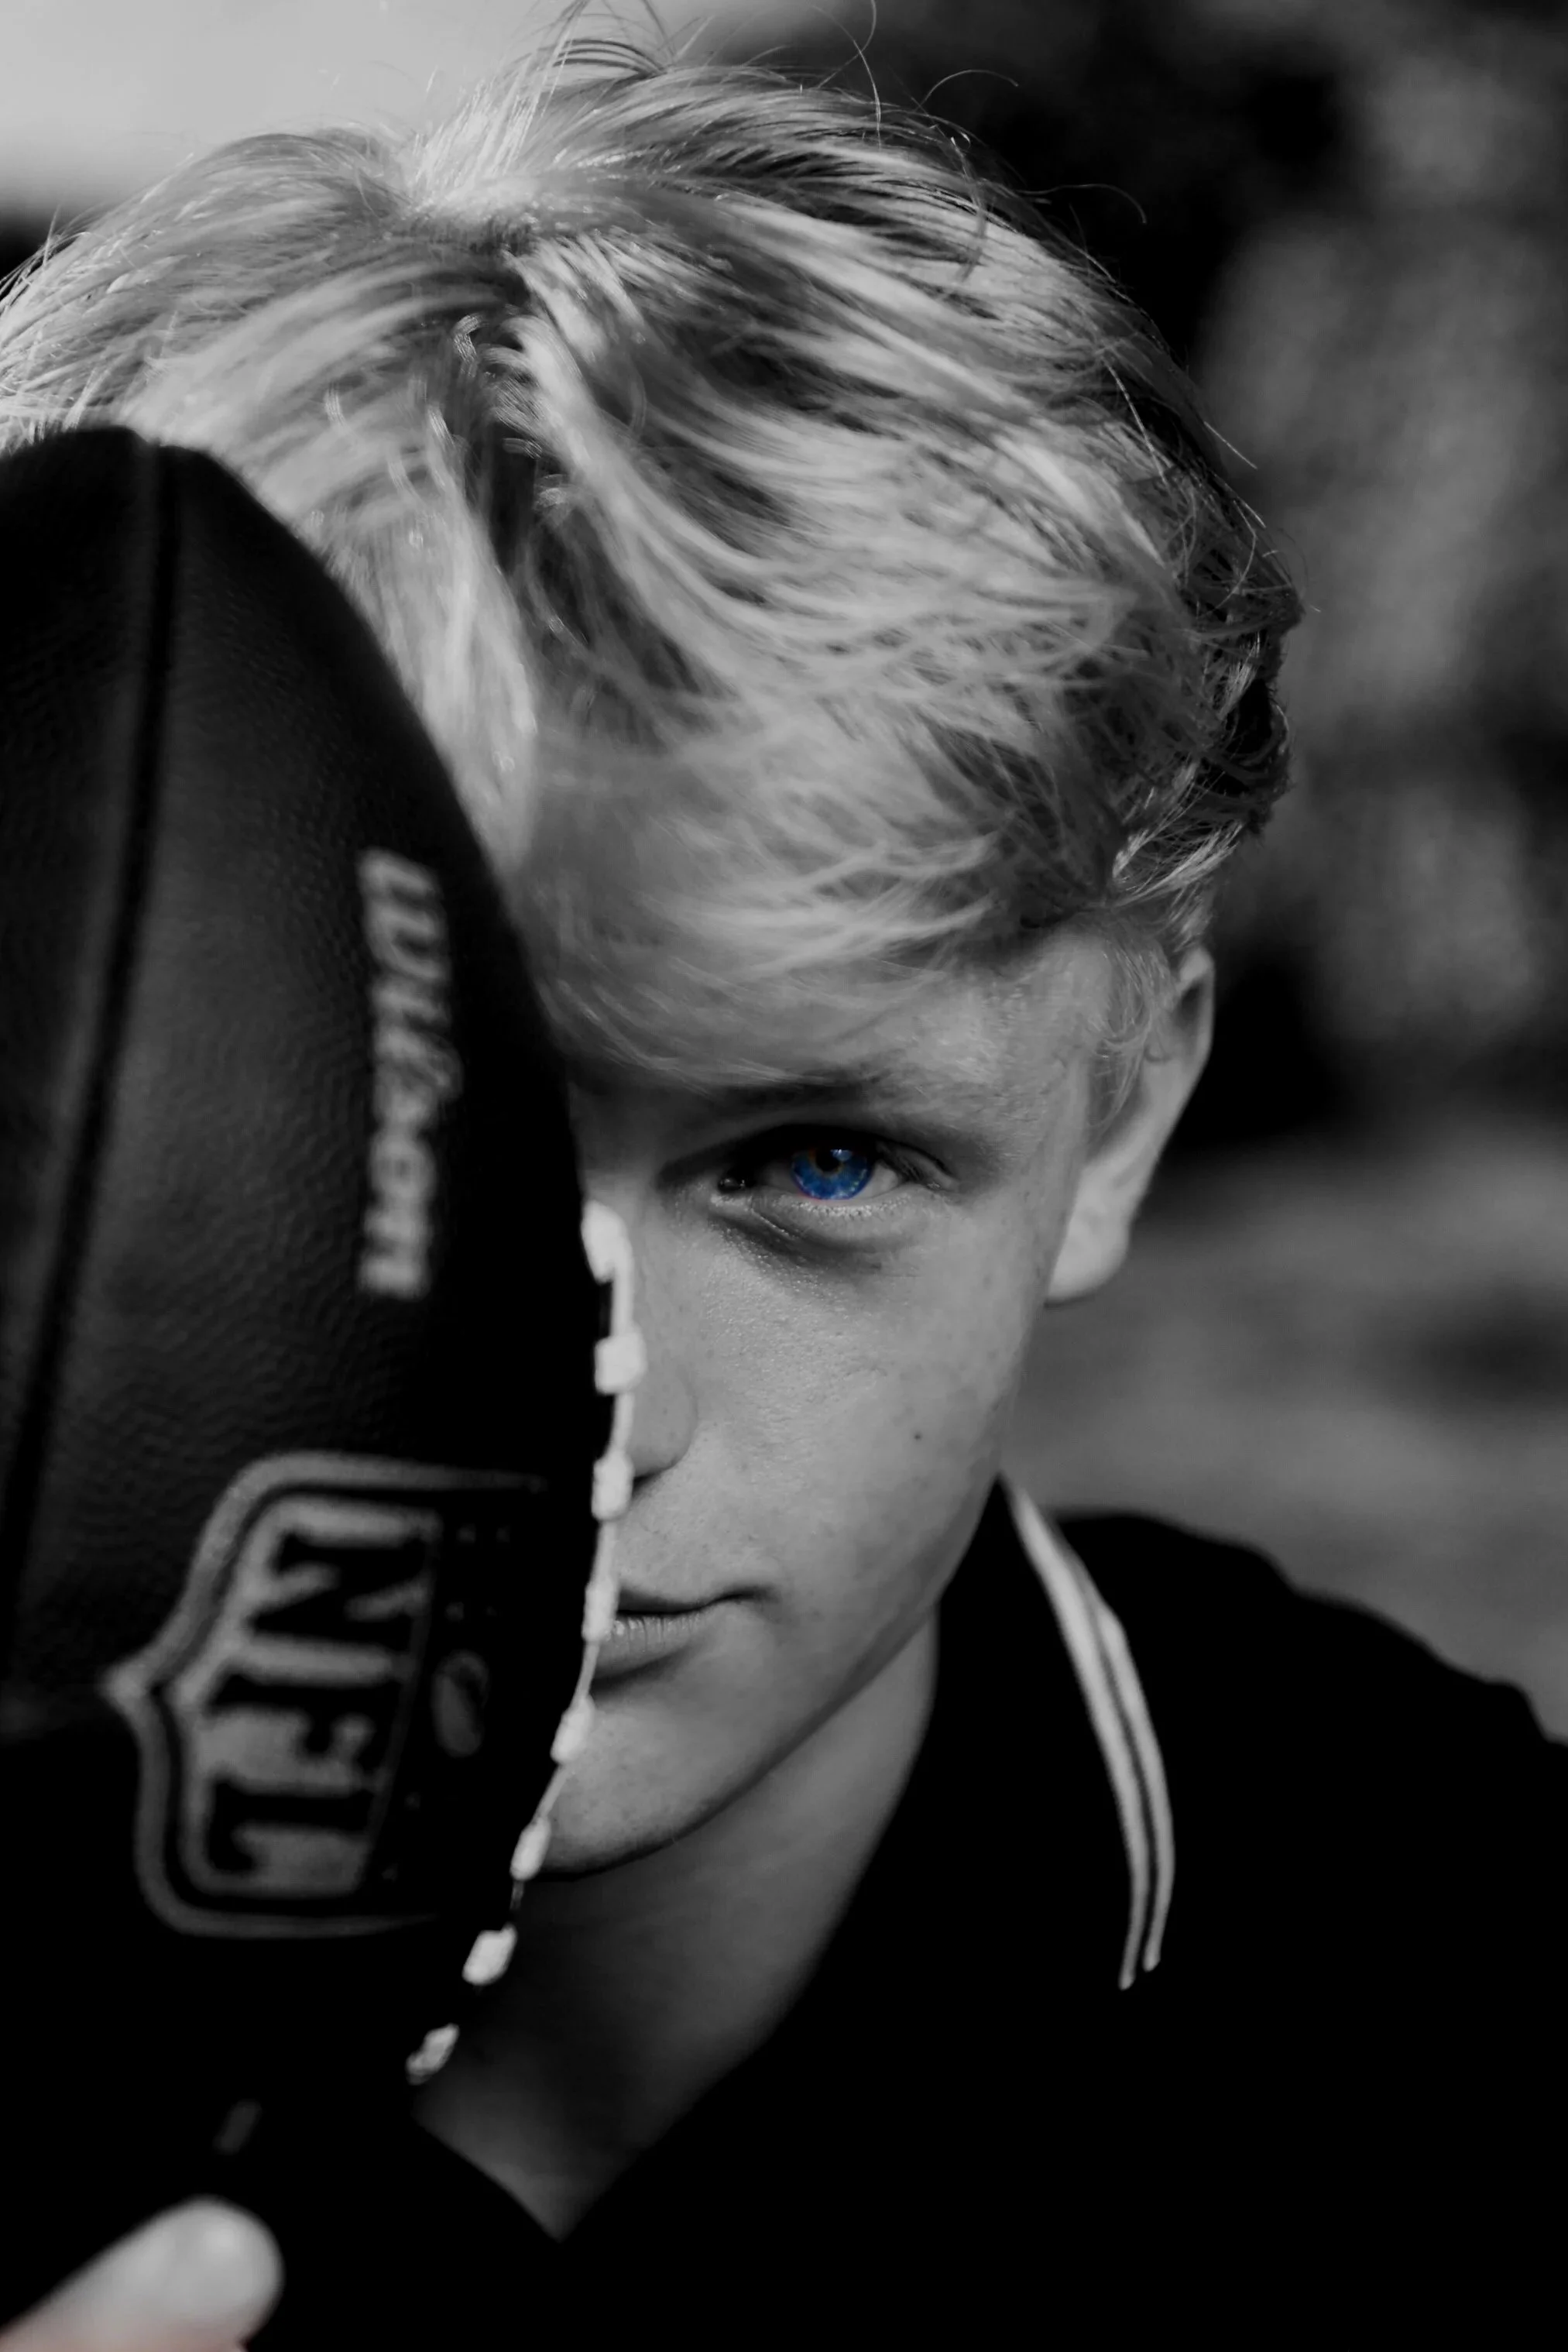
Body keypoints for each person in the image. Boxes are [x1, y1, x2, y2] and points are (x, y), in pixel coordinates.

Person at [2, 17, 1563, 2346]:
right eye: (423, 1136)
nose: (605, 1411)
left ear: (1128, 1099)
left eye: (815, 1157)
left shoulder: (1460, 1993)